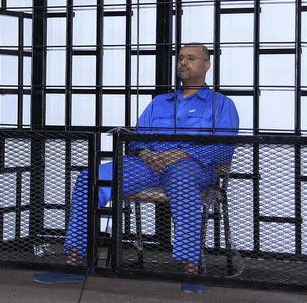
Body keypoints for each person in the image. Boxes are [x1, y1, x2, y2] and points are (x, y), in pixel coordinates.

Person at [64, 43, 239, 280]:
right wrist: (146, 154)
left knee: (182, 176)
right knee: (91, 177)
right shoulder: (160, 102)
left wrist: (181, 155)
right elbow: (136, 139)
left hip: (194, 168)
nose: (183, 63)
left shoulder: (221, 104)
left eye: (191, 58)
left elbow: (224, 149)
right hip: (149, 166)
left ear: (206, 65)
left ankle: (190, 266)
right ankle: (75, 255)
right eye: (180, 58)